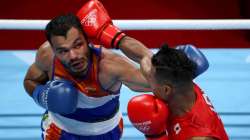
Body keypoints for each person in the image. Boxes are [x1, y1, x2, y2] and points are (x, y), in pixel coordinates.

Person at [76, 0, 229, 140]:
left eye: (150, 80)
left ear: (166, 90)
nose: (146, 76)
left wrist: (156, 135)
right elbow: (143, 56)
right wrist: (106, 32)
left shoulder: (198, 135)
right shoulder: (182, 81)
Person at [23, 13, 151, 139]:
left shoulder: (109, 66)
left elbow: (157, 82)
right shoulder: (47, 55)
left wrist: (119, 39)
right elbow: (30, 80)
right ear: (53, 49)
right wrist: (42, 95)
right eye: (63, 51)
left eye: (78, 45)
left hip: (105, 133)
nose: (73, 56)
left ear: (87, 40)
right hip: (58, 130)